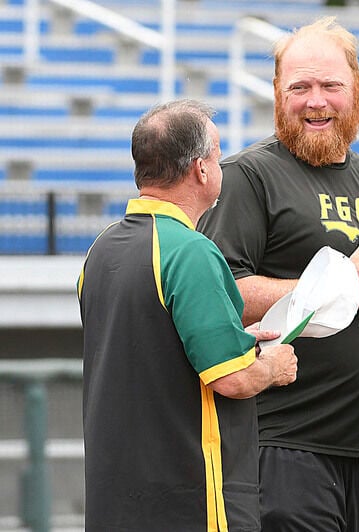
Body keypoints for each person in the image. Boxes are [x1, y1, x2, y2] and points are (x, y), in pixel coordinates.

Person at [197, 16, 359, 532]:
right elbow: (223, 296)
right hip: (282, 446)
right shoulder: (250, 176)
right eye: (300, 87)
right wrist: (346, 287)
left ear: (356, 90)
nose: (316, 101)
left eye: (331, 85)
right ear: (276, 93)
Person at [78, 99, 298, 531]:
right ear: (201, 169)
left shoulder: (98, 250)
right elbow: (231, 379)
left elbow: (153, 347)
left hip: (114, 502)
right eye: (217, 155)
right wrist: (271, 366)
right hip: (189, 502)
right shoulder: (192, 251)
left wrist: (234, 338)